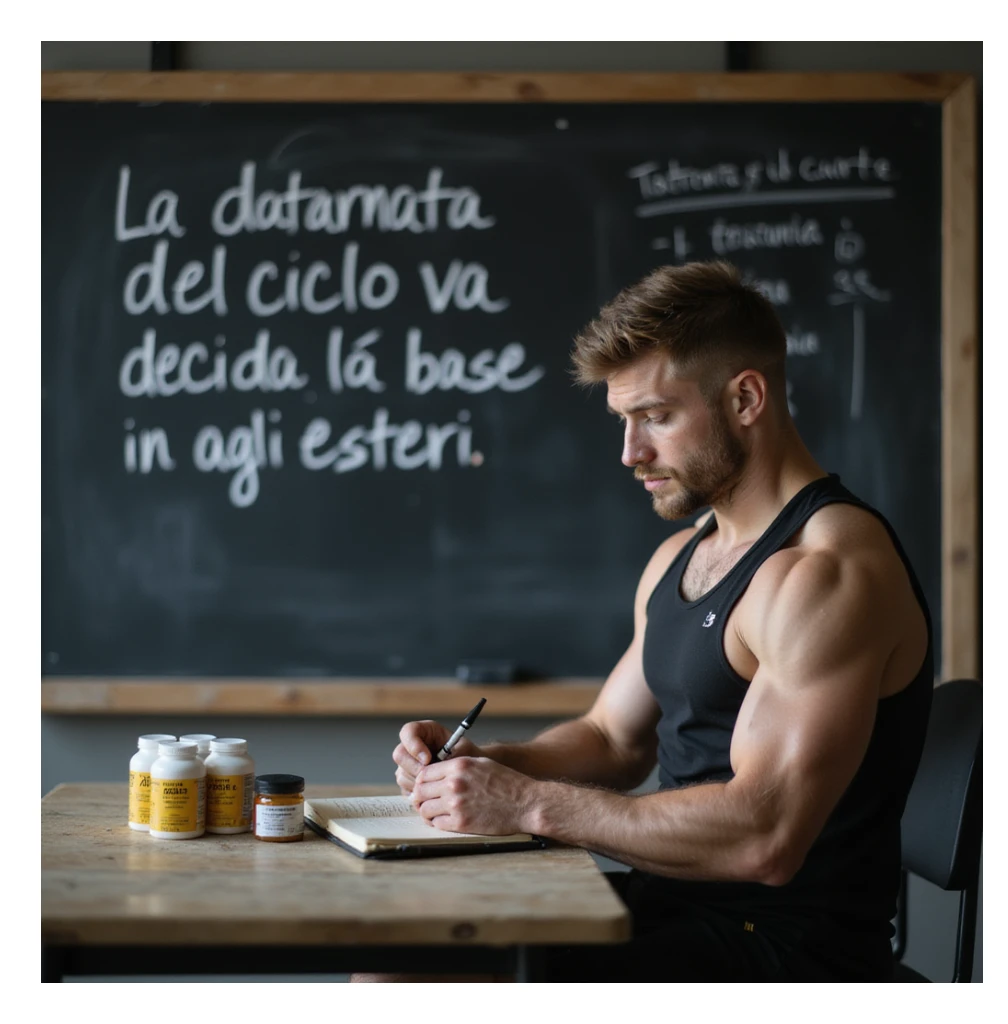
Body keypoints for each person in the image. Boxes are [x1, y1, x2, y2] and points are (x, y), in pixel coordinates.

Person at [354, 259, 933, 983]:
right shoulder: (679, 558)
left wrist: (529, 803)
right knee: (402, 948)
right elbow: (611, 739)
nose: (630, 453)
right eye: (623, 421)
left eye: (656, 417)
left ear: (746, 397)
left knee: (403, 977)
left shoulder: (826, 573)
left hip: (780, 954)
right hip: (671, 909)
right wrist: (482, 767)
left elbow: (766, 838)